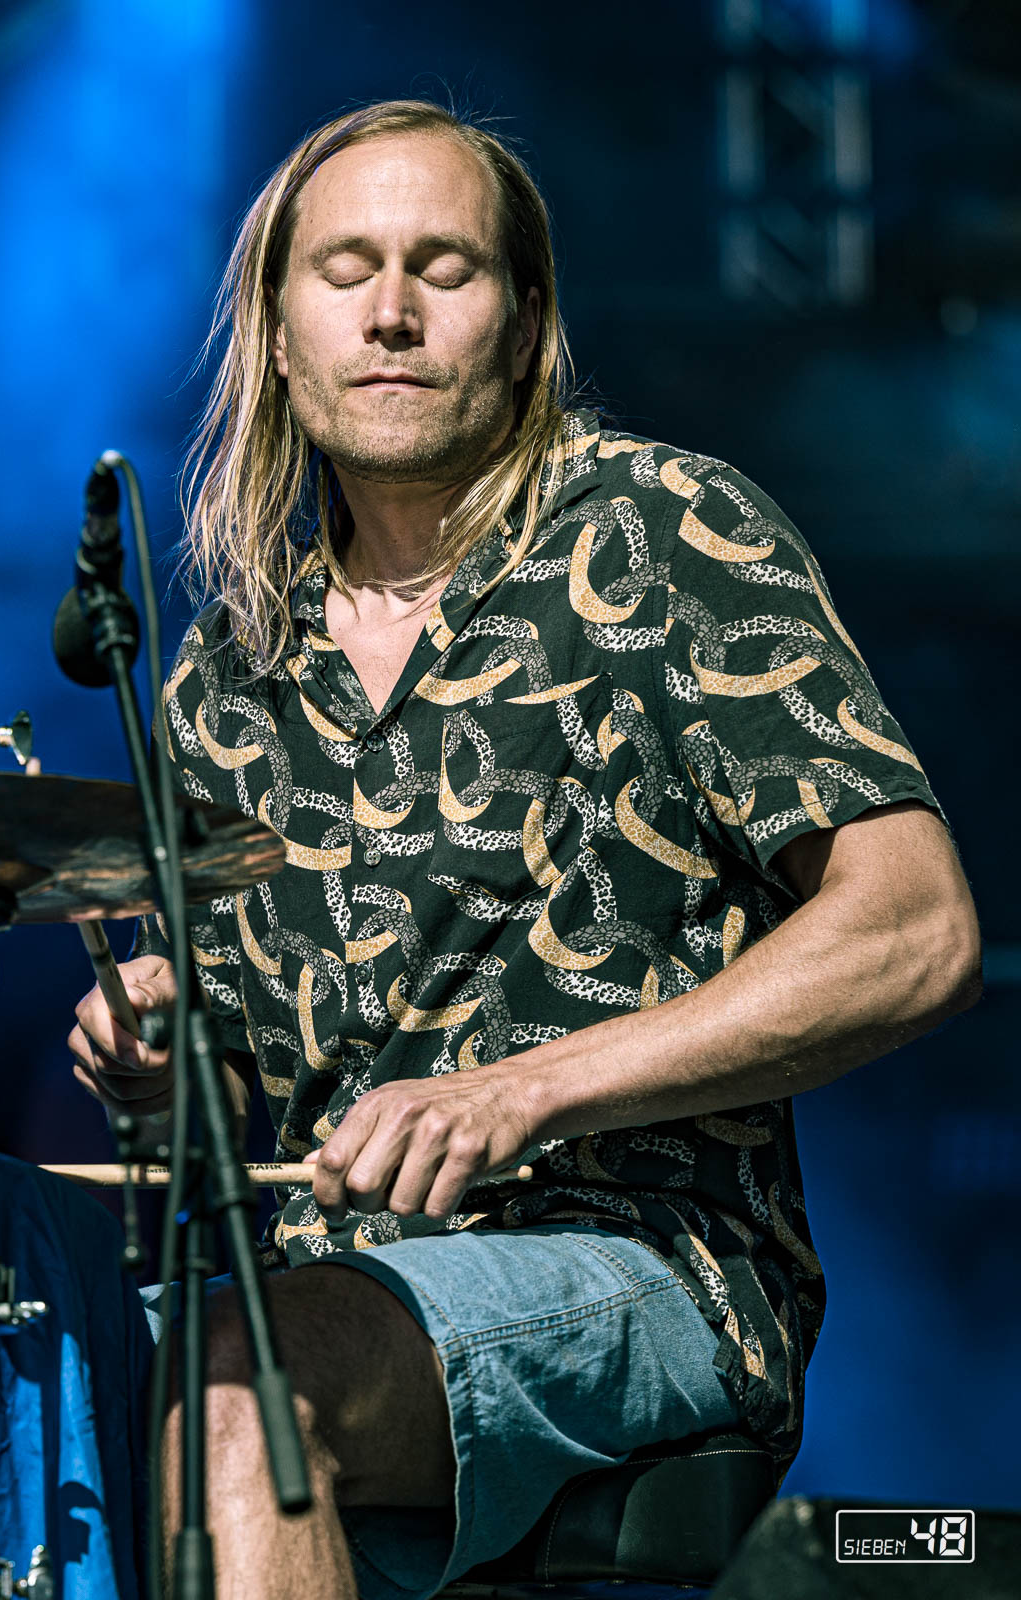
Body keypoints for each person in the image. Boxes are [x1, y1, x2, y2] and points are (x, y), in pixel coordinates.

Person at [67, 100, 981, 1600]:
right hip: (323, 1291)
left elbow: (917, 931)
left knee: (235, 1377)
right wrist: (174, 1072)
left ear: (526, 321)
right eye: (345, 268)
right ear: (279, 334)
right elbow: (242, 1104)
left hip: (644, 1263)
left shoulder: (665, 533)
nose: (394, 310)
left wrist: (525, 1090)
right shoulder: (224, 680)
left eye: (448, 267)